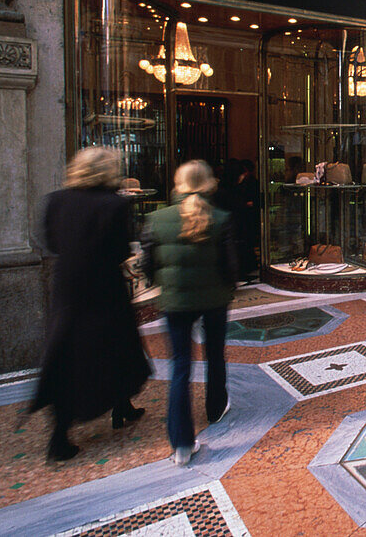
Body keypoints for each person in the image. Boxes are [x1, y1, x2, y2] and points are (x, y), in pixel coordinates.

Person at [32, 147, 151, 462]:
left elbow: (50, 242)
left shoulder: (55, 200)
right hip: (104, 288)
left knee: (67, 354)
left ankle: (62, 433)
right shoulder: (115, 204)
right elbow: (120, 249)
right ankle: (121, 405)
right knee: (117, 345)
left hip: (68, 288)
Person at [142, 160, 238, 466]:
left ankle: (182, 443)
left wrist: (162, 285)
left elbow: (147, 265)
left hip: (176, 302)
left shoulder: (156, 219)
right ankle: (216, 406)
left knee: (180, 367)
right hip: (214, 299)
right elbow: (230, 265)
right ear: (208, 183)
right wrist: (228, 289)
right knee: (214, 354)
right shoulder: (221, 218)